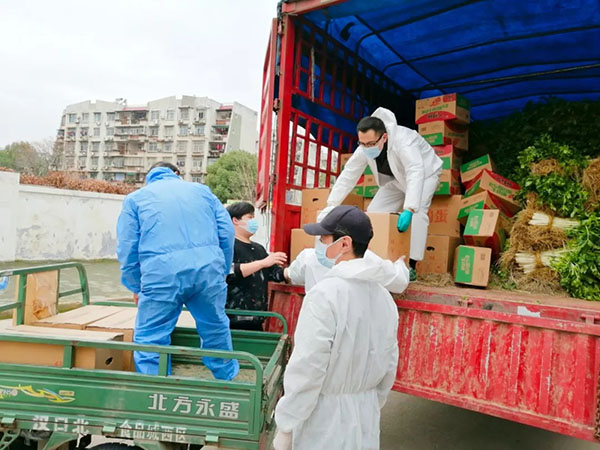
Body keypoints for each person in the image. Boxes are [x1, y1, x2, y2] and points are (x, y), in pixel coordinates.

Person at [273, 205, 400, 450]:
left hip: (324, 422)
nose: (319, 244)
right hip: (365, 418)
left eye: (324, 238)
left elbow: (308, 366)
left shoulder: (325, 295)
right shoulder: (385, 298)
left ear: (344, 243)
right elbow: (389, 362)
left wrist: (287, 423)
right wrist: (369, 401)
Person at [116, 161, 239, 380]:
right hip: (208, 270)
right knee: (215, 327)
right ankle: (227, 380)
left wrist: (136, 286)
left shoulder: (135, 199)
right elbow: (227, 233)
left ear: (149, 177)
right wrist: (221, 271)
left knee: (151, 337)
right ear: (176, 173)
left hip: (161, 275)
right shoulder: (203, 192)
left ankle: (157, 389)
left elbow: (127, 248)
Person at [318, 107, 443, 281]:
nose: (366, 148)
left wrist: (409, 208)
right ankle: (376, 256)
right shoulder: (365, 146)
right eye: (362, 144)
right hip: (395, 180)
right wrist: (331, 205)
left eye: (370, 144)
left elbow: (415, 170)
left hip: (425, 174)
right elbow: (349, 174)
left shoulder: (404, 140)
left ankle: (411, 265)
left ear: (384, 137)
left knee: (418, 213)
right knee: (374, 213)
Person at [225, 201, 287, 330]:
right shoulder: (227, 246)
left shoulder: (259, 249)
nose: (254, 221)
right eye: (250, 217)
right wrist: (262, 263)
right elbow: (228, 272)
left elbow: (275, 273)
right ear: (235, 220)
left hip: (257, 319)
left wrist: (292, 272)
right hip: (232, 320)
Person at [284, 247, 409, 294]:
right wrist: (400, 264)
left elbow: (291, 274)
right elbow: (398, 281)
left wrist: (281, 273)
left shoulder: (310, 256)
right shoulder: (368, 260)